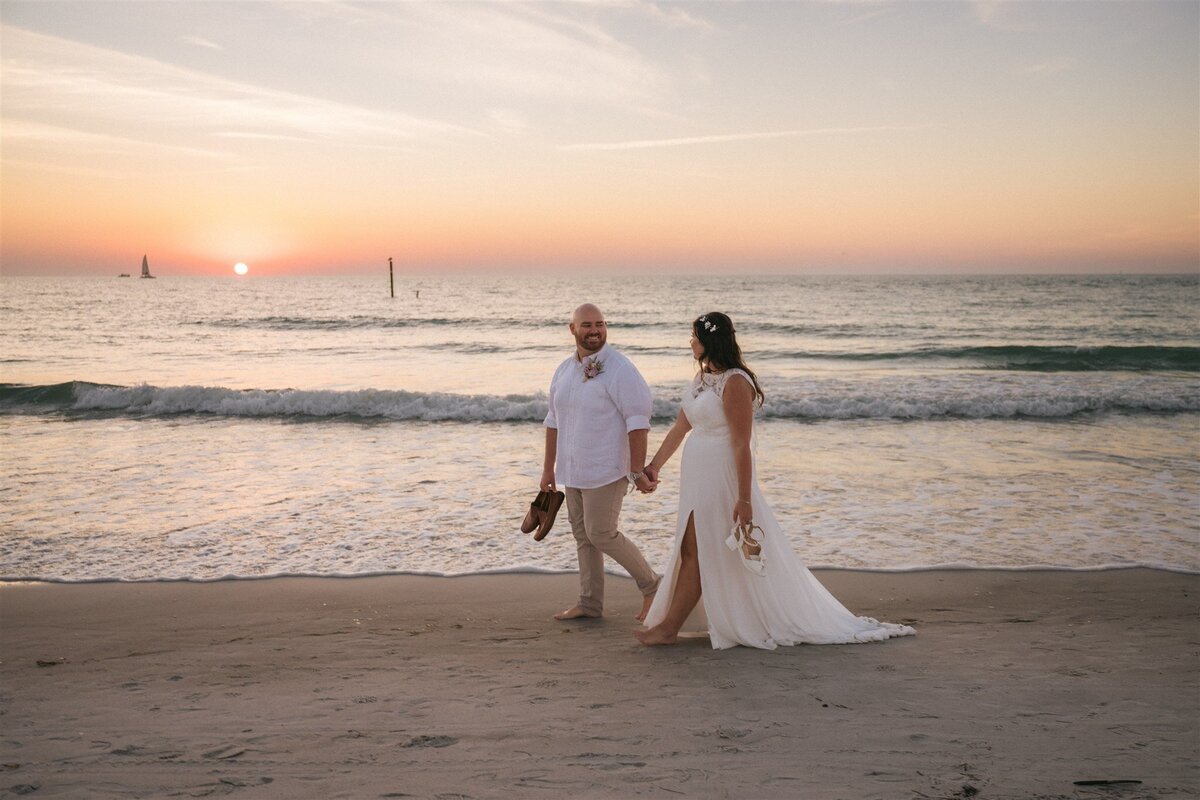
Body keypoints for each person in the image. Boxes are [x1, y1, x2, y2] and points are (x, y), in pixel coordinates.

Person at [635, 312, 915, 649]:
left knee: (698, 547)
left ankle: (669, 628)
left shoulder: (736, 382)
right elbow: (682, 427)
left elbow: (740, 444)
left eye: (694, 336)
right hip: (697, 475)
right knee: (692, 546)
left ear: (710, 340)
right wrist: (654, 466)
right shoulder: (702, 378)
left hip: (722, 475)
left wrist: (744, 499)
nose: (690, 342)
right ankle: (681, 623)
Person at [542, 303, 661, 622]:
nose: (594, 330)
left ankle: (653, 589)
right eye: (586, 325)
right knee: (583, 535)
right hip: (573, 470)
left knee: (602, 532)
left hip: (607, 469)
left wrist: (637, 471)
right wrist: (547, 470)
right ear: (572, 329)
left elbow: (638, 421)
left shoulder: (621, 370)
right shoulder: (564, 370)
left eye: (600, 324)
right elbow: (553, 421)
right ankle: (590, 604)